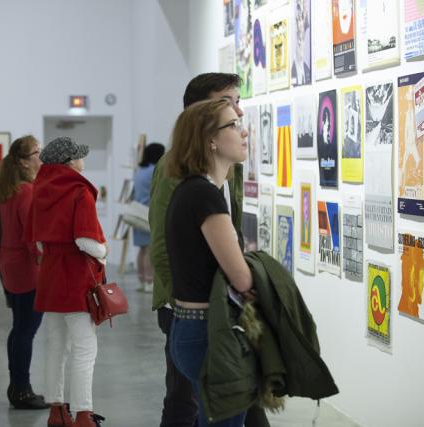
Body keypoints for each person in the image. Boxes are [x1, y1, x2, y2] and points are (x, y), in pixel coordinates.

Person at [150, 73, 268, 427]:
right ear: (207, 131)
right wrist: (184, 300)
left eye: (237, 105)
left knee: (228, 410)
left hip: (211, 314)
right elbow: (163, 247)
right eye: (228, 108)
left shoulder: (220, 177)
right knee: (186, 406)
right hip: (201, 316)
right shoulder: (194, 186)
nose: (241, 117)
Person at [27, 137, 107, 427]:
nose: (82, 160)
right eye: (79, 156)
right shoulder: (79, 191)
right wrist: (104, 251)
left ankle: (57, 411)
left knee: (55, 347)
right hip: (75, 278)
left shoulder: (39, 190)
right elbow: (85, 240)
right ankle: (84, 415)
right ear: (70, 162)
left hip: (50, 276)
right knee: (85, 348)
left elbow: (36, 242)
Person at [0, 135, 49, 410]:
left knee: (20, 328)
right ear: (25, 162)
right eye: (37, 152)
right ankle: (22, 389)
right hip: (26, 268)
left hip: (10, 263)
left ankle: (17, 386)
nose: (42, 155)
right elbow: (33, 237)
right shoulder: (26, 191)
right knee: (26, 330)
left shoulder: (11, 189)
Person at [132, 142, 165, 293]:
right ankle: (149, 281)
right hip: (149, 214)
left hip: (137, 213)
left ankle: (141, 280)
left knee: (142, 249)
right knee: (150, 249)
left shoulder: (140, 171)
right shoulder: (154, 170)